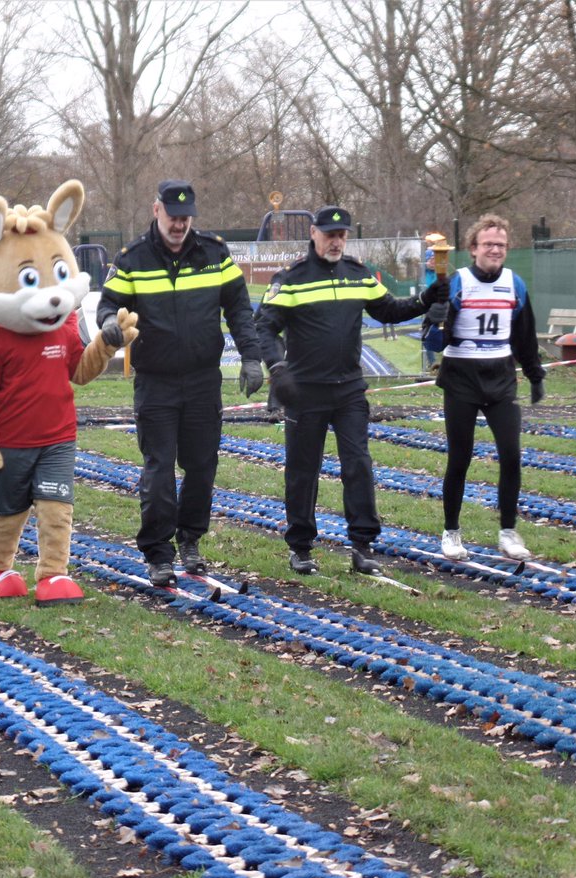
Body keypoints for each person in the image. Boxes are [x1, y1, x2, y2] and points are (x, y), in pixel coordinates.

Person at [97, 179, 264, 588]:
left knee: (202, 466)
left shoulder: (214, 253)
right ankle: (158, 552)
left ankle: (190, 540)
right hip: (155, 382)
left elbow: (239, 308)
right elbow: (108, 302)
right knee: (159, 470)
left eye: (186, 218)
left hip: (203, 380)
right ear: (157, 210)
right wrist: (106, 323)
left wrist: (252, 356)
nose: (179, 225)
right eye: (173, 216)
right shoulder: (134, 259)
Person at [254, 205, 429, 576]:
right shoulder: (291, 279)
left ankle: (362, 546)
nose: (336, 241)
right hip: (305, 391)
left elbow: (389, 310)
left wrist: (425, 302)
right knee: (303, 471)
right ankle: (300, 547)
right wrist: (278, 368)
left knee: (358, 465)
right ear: (314, 235)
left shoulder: (358, 274)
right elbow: (264, 328)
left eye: (342, 235)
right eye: (330, 235)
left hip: (349, 389)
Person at [424, 213, 545, 562]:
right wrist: (435, 320)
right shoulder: (458, 281)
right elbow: (436, 338)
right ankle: (451, 532)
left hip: (501, 378)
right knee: (460, 458)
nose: (496, 250)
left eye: (502, 245)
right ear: (473, 248)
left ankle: (508, 532)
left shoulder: (514, 284)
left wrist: (535, 375)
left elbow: (525, 335)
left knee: (511, 456)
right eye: (489, 244)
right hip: (462, 376)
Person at [419, 246, 443, 371]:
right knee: (426, 333)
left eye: (435, 259)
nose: (433, 262)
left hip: (440, 306)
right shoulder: (423, 273)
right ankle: (432, 362)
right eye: (431, 259)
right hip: (427, 307)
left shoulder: (440, 273)